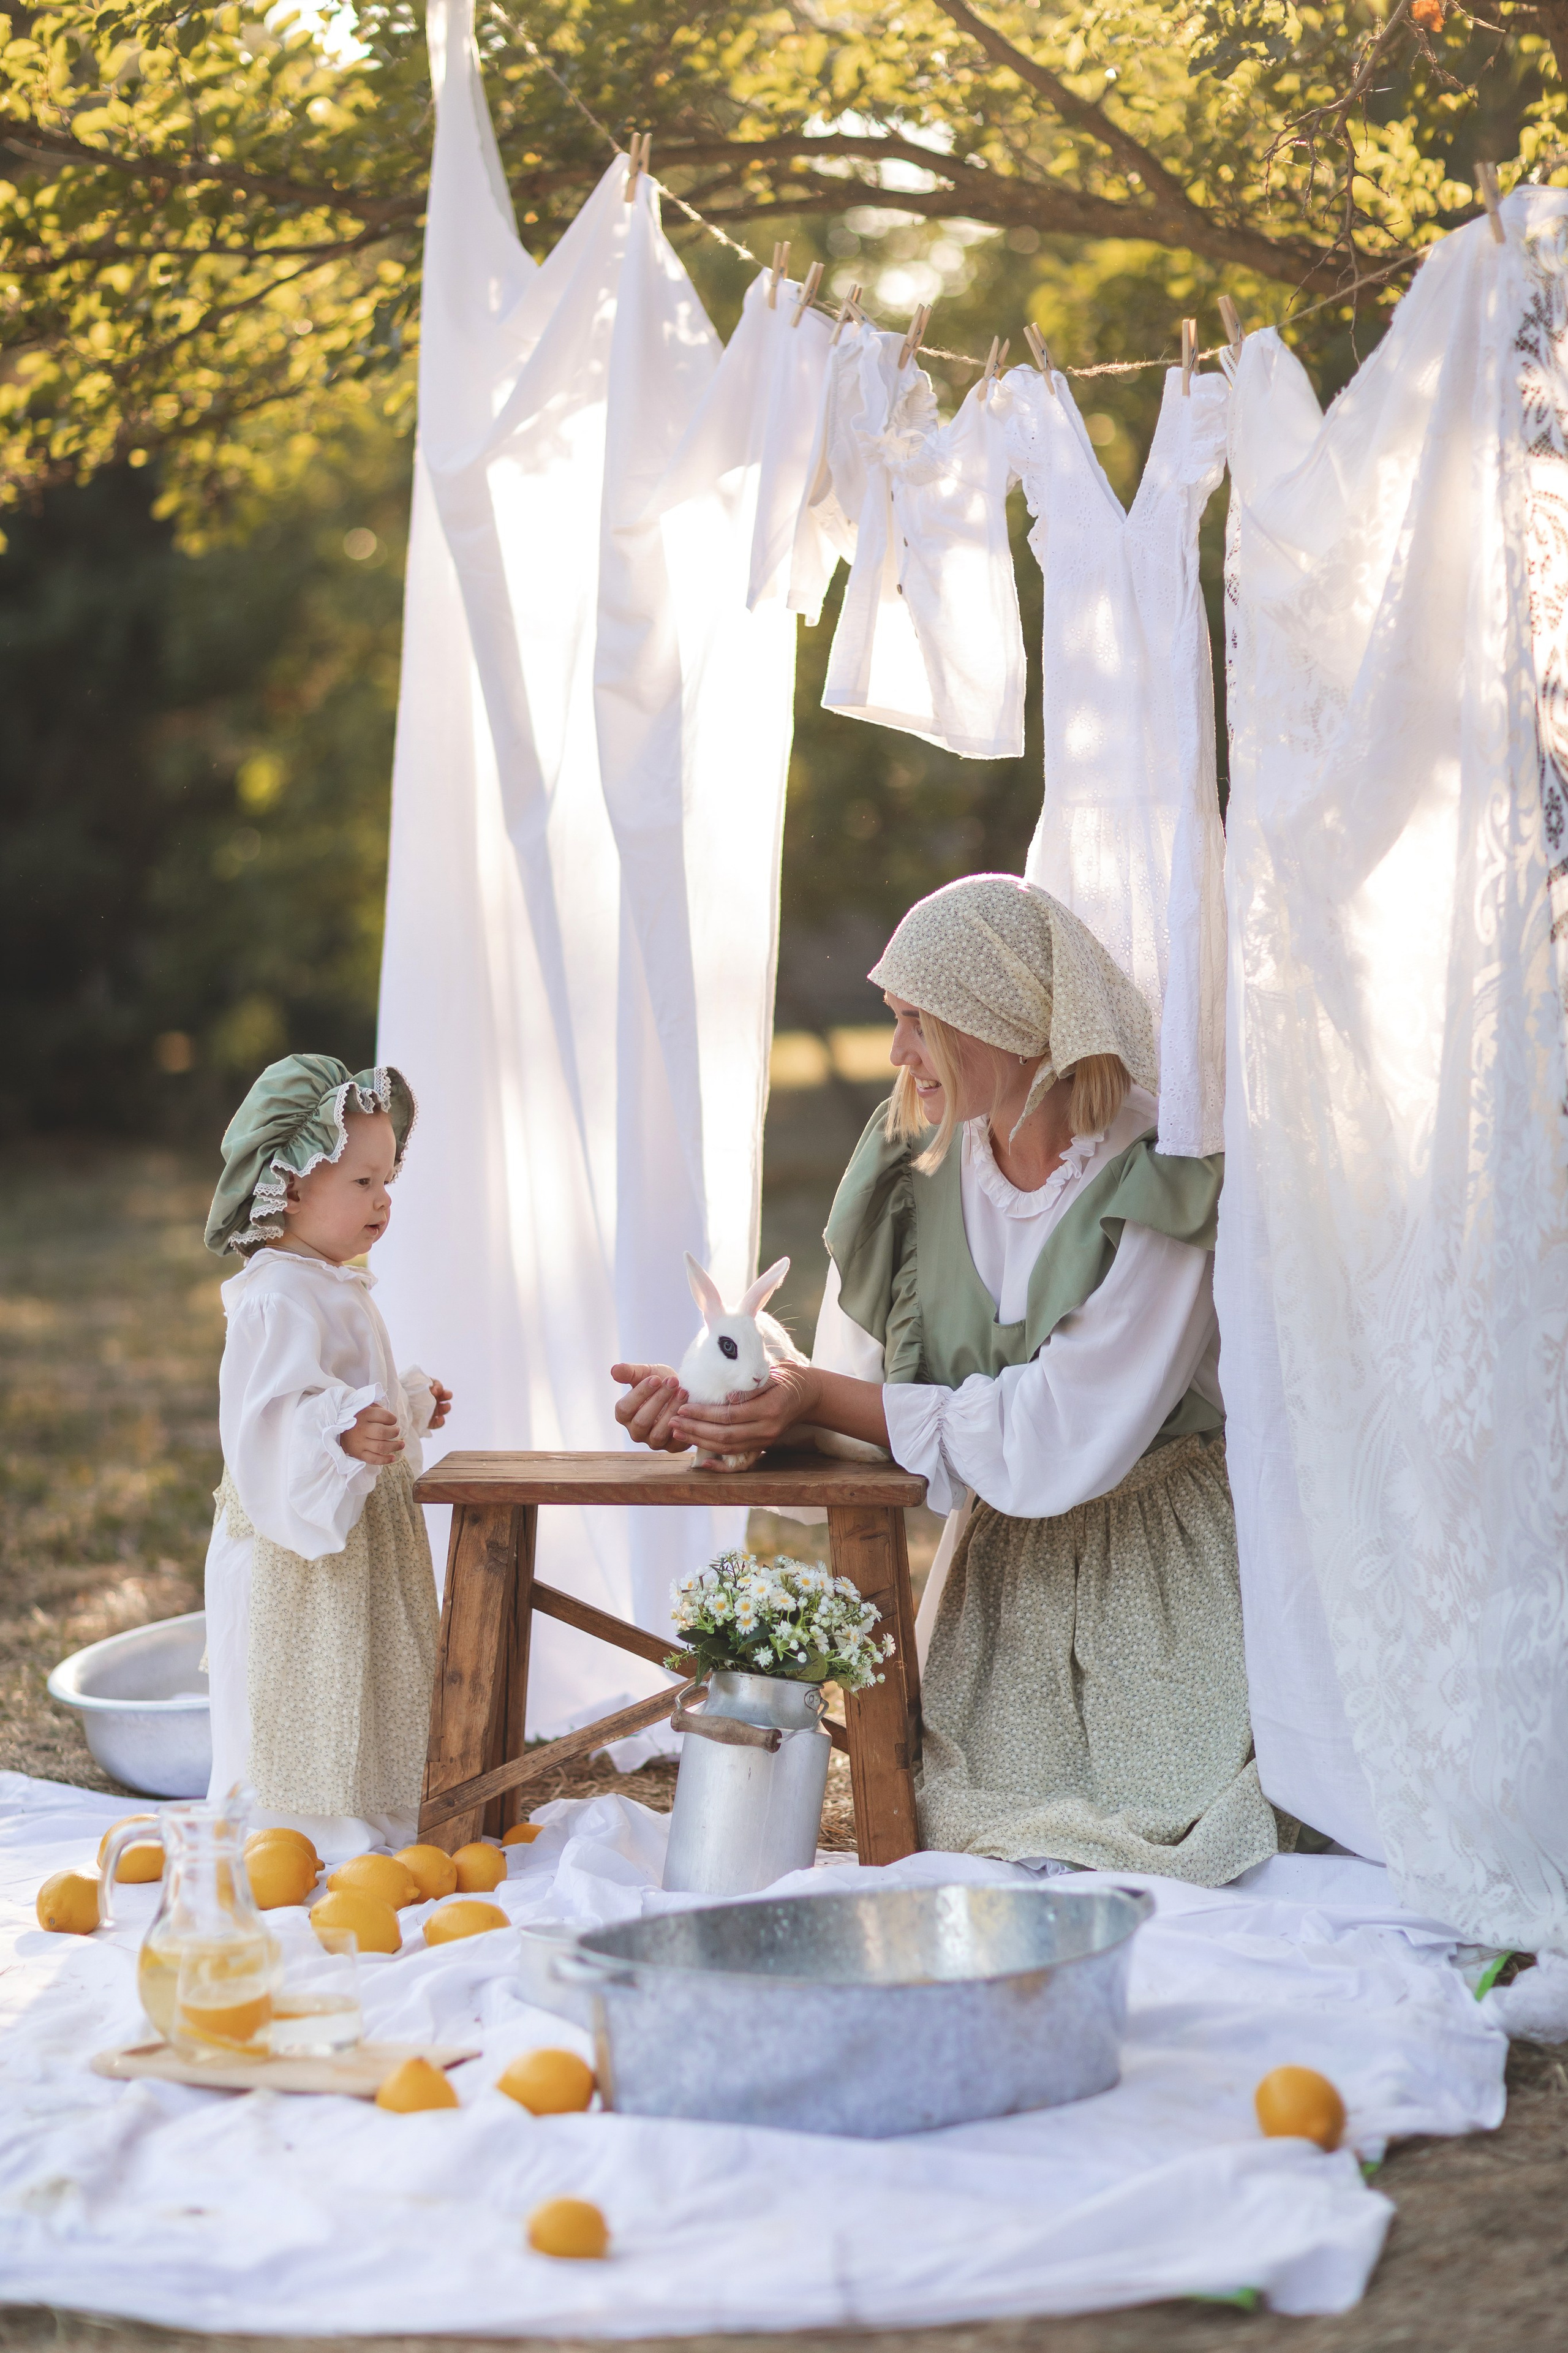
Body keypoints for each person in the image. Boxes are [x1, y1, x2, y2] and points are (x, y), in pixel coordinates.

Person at [615, 875, 1285, 1884]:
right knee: (978, 1846)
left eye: (916, 1022)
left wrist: (815, 1401)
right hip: (1001, 1594)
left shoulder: (1157, 1173)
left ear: (1004, 1022)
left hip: (1156, 1577)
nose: (897, 1054)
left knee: (1175, 1846)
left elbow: (1054, 1432)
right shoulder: (911, 1169)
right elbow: (861, 1397)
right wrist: (728, 1409)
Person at [201, 1056, 451, 1859]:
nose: (384, 1200)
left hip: (359, 1522)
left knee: (365, 1668)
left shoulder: (333, 1281)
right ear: (293, 1184)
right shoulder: (275, 1293)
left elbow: (351, 1388)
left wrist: (403, 1408)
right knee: (308, 1676)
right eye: (362, 1182)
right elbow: (268, 1418)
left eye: (388, 1179)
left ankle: (372, 1810)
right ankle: (299, 1827)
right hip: (301, 1540)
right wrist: (341, 1436)